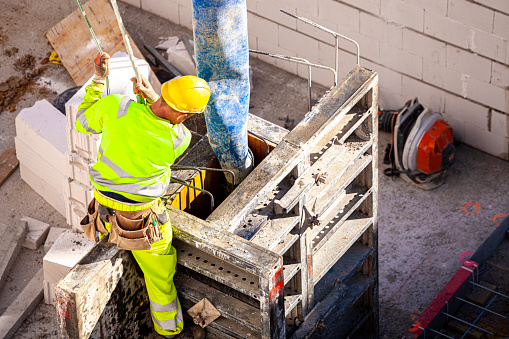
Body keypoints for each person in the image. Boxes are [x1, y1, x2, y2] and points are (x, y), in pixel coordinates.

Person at [76, 52, 211, 338]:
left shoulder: (115, 106)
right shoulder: (178, 138)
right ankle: (170, 331)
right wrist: (151, 101)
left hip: (104, 210)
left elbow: (83, 121)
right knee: (160, 277)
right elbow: (167, 123)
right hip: (141, 220)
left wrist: (100, 79)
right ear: (184, 115)